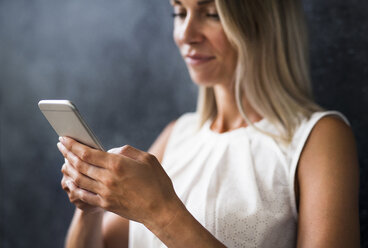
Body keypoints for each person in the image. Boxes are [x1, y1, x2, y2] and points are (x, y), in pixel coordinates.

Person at [57, 0, 360, 247]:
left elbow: (160, 214)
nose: (186, 35)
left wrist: (162, 212)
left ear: (262, 23)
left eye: (211, 14)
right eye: (179, 12)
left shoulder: (318, 138)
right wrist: (91, 205)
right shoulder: (177, 134)